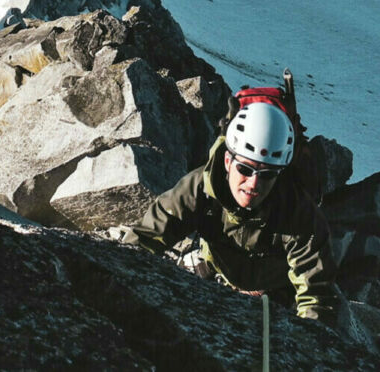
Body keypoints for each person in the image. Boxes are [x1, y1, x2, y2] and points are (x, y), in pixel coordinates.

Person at [120, 91, 341, 325]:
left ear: (280, 174)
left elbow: (316, 294)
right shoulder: (198, 189)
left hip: (275, 289)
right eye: (245, 169)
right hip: (217, 267)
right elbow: (146, 238)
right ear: (228, 161)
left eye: (267, 174)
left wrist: (308, 339)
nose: (254, 183)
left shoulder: (299, 212)